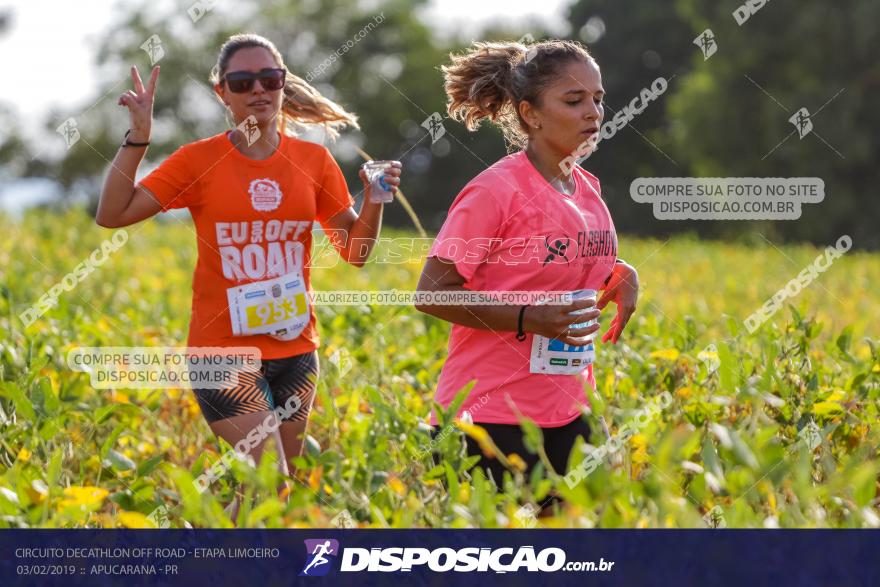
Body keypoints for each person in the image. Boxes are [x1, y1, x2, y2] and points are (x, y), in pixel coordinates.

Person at [95, 33, 402, 519]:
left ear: (282, 84)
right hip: (224, 352)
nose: (257, 90)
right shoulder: (198, 160)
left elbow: (356, 252)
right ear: (223, 92)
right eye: (242, 82)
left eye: (269, 79)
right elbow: (112, 215)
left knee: (277, 496)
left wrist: (374, 201)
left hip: (296, 352)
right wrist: (139, 137)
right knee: (269, 482)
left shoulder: (313, 161)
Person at [415, 39, 638, 511]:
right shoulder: (495, 190)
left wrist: (620, 274)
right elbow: (432, 292)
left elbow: (563, 267)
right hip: (488, 418)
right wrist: (526, 318)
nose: (592, 112)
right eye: (574, 101)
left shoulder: (586, 189)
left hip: (572, 410)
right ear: (530, 114)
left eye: (597, 99)